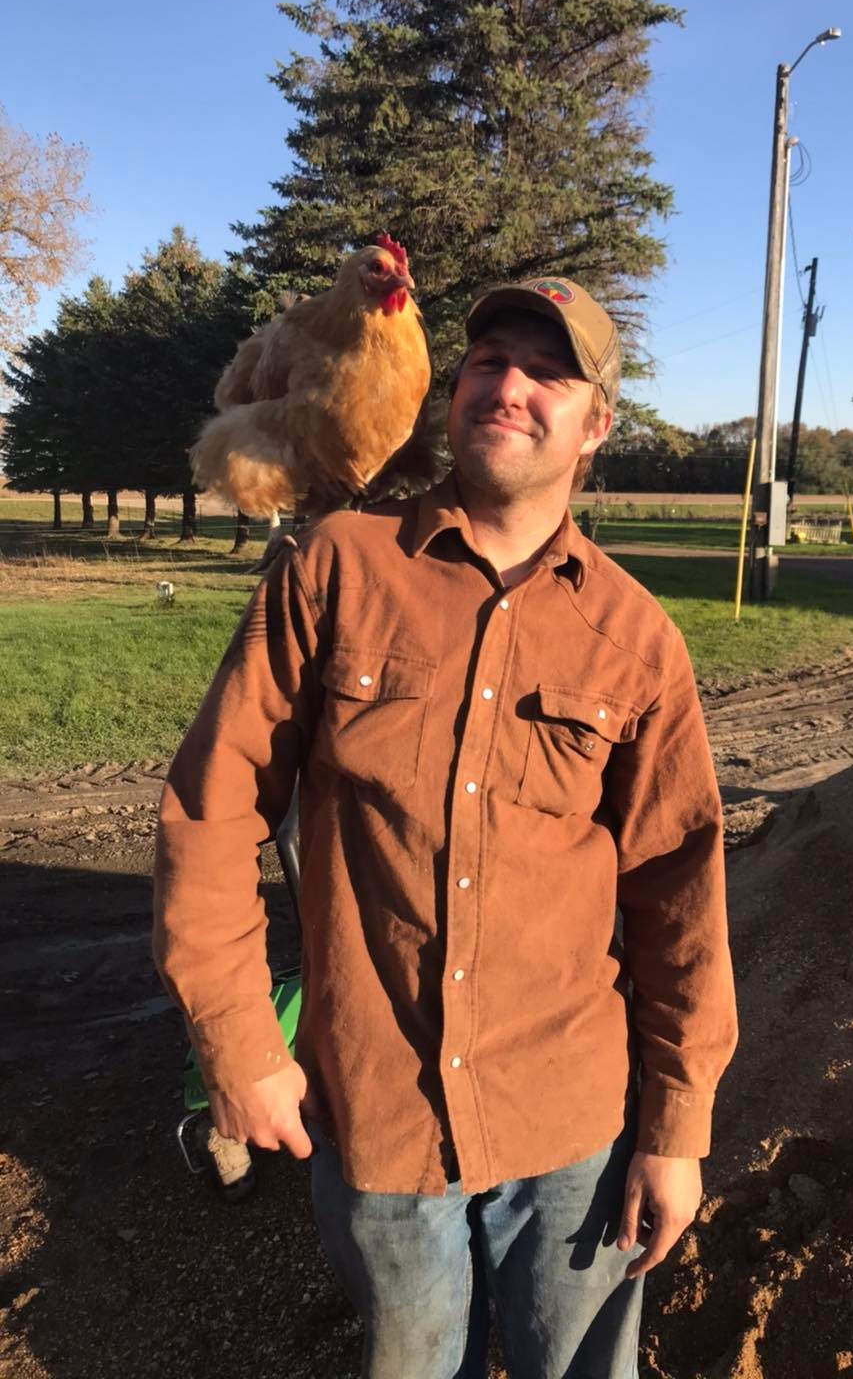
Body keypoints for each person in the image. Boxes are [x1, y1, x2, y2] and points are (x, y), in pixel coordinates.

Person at [153, 275, 737, 1379]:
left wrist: (675, 1128)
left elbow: (678, 896)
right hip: (380, 1121)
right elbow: (211, 808)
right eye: (487, 364)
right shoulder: (337, 568)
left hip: (573, 1126)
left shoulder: (635, 641)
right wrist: (238, 1039)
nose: (507, 387)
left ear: (595, 425)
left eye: (547, 374)